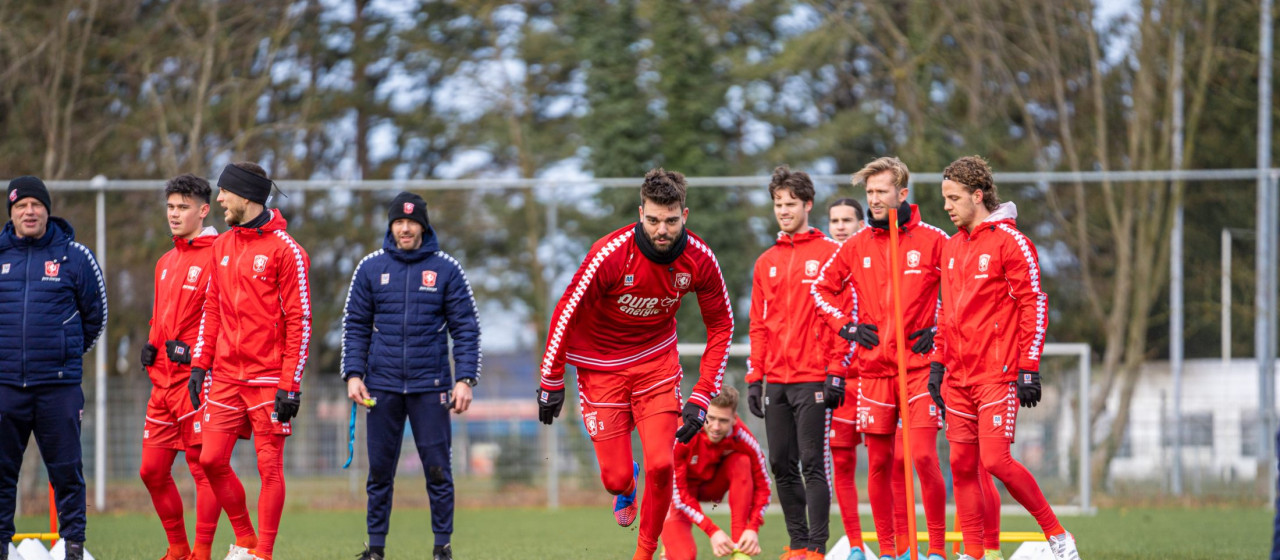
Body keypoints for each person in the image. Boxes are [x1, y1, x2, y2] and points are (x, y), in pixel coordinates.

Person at [537, 168, 734, 560]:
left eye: (672, 221)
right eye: (653, 220)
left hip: (656, 363)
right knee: (616, 478)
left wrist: (701, 395)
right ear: (640, 211)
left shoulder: (700, 260)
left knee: (662, 464)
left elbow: (723, 325)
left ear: (685, 215)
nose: (662, 230)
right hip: (600, 367)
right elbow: (565, 312)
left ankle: (643, 555)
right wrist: (551, 379)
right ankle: (627, 488)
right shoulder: (609, 255)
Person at [932, 156, 1079, 560]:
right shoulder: (950, 247)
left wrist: (1028, 367)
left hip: (996, 374)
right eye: (945, 197)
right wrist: (937, 364)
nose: (947, 206)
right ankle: (974, 554)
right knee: (961, 466)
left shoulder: (1011, 242)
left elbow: (1035, 304)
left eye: (953, 197)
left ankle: (1058, 535)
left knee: (995, 460)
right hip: (957, 378)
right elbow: (945, 313)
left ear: (977, 196)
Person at [810, 157, 949, 560]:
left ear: (901, 194)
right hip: (874, 372)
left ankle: (936, 551)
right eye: (869, 192)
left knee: (922, 456)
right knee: (879, 465)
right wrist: (846, 327)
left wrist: (937, 328)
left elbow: (958, 294)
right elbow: (821, 289)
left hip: (920, 370)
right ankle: (888, 552)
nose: (872, 199)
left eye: (880, 192)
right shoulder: (855, 246)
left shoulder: (934, 239)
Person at [342, 192, 481, 560]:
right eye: (399, 222)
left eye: (412, 221)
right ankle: (375, 549)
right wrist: (354, 374)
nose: (405, 228)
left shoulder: (447, 269)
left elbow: (466, 328)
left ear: (423, 225)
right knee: (379, 474)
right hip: (381, 387)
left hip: (431, 387)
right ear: (391, 225)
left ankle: (442, 547)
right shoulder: (370, 268)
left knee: (438, 471)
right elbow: (355, 325)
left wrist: (464, 379)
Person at [190, 162, 311, 560]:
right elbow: (212, 308)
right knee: (210, 460)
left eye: (223, 192)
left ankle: (263, 555)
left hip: (268, 378)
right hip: (225, 376)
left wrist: (289, 384)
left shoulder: (286, 251)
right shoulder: (221, 246)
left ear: (246, 196)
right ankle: (245, 537)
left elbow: (300, 320)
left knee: (269, 469)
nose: (219, 199)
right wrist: (199, 364)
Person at [0, 176, 106, 560]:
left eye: (36, 205)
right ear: (10, 213)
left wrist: (67, 355)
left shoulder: (75, 256)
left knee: (66, 471)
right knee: (2, 472)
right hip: (5, 386)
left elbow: (96, 317)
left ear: (48, 209)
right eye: (20, 206)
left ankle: (73, 546)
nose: (29, 212)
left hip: (58, 387)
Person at [746, 166, 843, 559]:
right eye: (777, 204)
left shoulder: (829, 255)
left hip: (813, 378)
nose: (783, 211)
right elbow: (758, 324)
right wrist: (755, 377)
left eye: (790, 204)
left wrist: (836, 371)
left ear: (808, 204)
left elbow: (841, 316)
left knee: (811, 462)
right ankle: (798, 543)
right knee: (780, 463)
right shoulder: (765, 261)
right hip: (777, 381)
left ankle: (817, 546)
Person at [139, 174, 224, 560]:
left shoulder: (220, 254)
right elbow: (160, 318)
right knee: (151, 471)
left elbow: (227, 317)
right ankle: (178, 548)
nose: (174, 214)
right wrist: (151, 345)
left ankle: (201, 552)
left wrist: (193, 356)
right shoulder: (164, 261)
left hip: (197, 381)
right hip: (161, 385)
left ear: (203, 210)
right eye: (170, 207)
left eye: (183, 207)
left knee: (202, 467)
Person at [661, 386, 770, 560]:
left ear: (734, 419)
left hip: (711, 487)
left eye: (723, 420)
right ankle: (668, 549)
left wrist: (753, 528)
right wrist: (712, 531)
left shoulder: (743, 437)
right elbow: (678, 494)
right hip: (678, 497)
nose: (716, 427)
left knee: (742, 461)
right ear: (703, 413)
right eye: (710, 418)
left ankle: (739, 548)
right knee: (684, 556)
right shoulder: (682, 433)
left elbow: (765, 488)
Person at [823, 197, 866, 559]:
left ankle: (898, 546)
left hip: (875, 377)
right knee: (843, 465)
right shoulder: (825, 272)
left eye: (847, 219)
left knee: (894, 463)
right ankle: (855, 545)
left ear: (861, 223)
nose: (839, 226)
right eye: (834, 220)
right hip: (840, 383)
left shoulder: (873, 261)